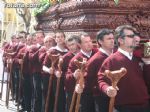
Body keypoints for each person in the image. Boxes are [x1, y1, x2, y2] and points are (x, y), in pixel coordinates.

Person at [97, 25, 150, 112]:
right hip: (125, 107)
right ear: (120, 40)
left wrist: (148, 63)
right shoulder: (111, 60)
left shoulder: (139, 57)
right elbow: (101, 80)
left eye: (134, 35)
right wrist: (107, 89)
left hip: (145, 105)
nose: (135, 38)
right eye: (130, 36)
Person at [66, 32, 98, 112]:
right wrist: (74, 75)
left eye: (90, 41)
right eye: (86, 42)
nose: (89, 44)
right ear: (79, 45)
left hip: (99, 92)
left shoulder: (98, 53)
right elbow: (67, 77)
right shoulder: (75, 60)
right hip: (86, 94)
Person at [86, 28, 114, 112]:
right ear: (100, 41)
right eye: (109, 39)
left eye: (113, 38)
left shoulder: (116, 55)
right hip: (102, 98)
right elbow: (89, 80)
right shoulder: (95, 60)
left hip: (119, 97)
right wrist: (104, 89)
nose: (112, 41)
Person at [62, 35, 80, 112]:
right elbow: (62, 74)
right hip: (71, 88)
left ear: (78, 44)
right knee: (71, 108)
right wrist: (72, 75)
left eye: (73, 44)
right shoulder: (66, 57)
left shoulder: (83, 55)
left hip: (83, 87)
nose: (71, 47)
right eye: (69, 45)